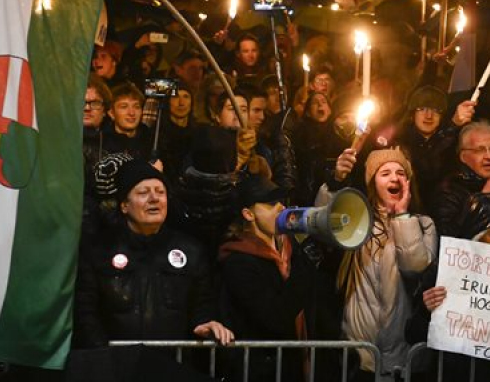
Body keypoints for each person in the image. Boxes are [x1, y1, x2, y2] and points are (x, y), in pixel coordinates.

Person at [74, 158, 234, 347]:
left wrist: (206, 321)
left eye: (161, 192)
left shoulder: (191, 251)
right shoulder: (99, 250)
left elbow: (202, 304)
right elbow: (85, 312)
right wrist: (104, 356)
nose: (154, 198)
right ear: (124, 205)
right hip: (115, 367)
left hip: (171, 367)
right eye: (143, 193)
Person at [331, 148, 438, 381]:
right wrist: (335, 180)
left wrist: (401, 217)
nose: (394, 178)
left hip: (405, 357)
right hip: (361, 354)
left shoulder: (423, 224)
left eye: (401, 173)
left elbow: (414, 268)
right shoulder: (358, 221)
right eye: (385, 173)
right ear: (372, 183)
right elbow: (324, 221)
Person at [406, 193, 490, 381]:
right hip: (455, 373)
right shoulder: (443, 270)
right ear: (476, 235)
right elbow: (413, 333)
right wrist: (425, 309)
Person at [218, 176, 315, 382]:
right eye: (271, 203)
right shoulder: (238, 261)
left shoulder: (289, 249)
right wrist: (304, 267)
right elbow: (275, 317)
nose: (281, 208)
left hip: (290, 367)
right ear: (248, 214)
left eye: (281, 201)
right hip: (259, 370)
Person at [432, 121, 490, 239]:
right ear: (463, 157)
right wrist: (483, 198)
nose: (489, 156)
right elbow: (449, 239)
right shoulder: (448, 190)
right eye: (480, 150)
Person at [393, 85, 475, 208]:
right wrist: (452, 126)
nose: (429, 115)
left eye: (436, 110)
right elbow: (425, 171)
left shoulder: (455, 141)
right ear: (412, 114)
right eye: (422, 109)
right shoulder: (400, 143)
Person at [101, 82, 151, 159]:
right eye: (124, 107)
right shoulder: (101, 142)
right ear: (111, 113)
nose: (131, 113)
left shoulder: (152, 140)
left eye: (136, 107)